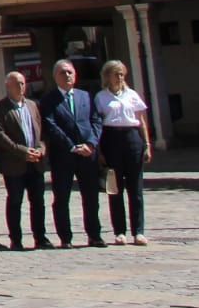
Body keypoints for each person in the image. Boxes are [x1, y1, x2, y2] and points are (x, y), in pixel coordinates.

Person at [41, 59, 104, 249]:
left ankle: (94, 235)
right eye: (63, 73)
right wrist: (71, 146)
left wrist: (91, 144)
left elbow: (95, 121)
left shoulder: (85, 96)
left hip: (87, 154)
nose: (67, 76)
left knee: (91, 196)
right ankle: (65, 237)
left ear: (75, 75)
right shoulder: (49, 99)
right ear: (55, 77)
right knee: (62, 197)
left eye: (70, 72)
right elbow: (51, 126)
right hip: (63, 156)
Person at [0, 70, 50, 251]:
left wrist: (40, 150)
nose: (21, 87)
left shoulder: (32, 105)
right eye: (17, 84)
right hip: (14, 164)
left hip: (35, 163)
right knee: (15, 201)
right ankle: (16, 239)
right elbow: (0, 136)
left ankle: (41, 237)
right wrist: (23, 151)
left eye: (23, 83)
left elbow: (41, 131)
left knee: (38, 201)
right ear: (7, 86)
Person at [95, 59, 152, 245]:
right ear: (107, 76)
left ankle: (139, 231)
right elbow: (98, 124)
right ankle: (119, 231)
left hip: (132, 139)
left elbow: (141, 120)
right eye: (116, 74)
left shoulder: (132, 95)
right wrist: (100, 150)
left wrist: (147, 144)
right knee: (114, 188)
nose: (119, 78)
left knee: (135, 188)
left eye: (122, 74)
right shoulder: (101, 97)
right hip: (111, 139)